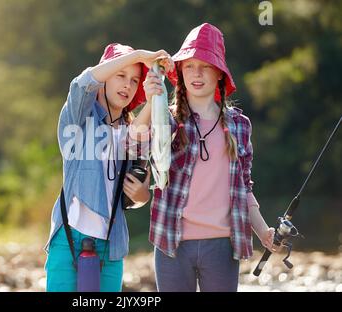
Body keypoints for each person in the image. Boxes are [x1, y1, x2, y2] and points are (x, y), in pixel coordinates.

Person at [130, 23, 275, 292]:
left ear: (220, 73)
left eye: (205, 66)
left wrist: (263, 232)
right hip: (172, 243)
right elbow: (135, 140)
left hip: (222, 245)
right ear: (180, 73)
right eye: (189, 66)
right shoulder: (168, 119)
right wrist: (151, 102)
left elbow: (244, 187)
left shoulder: (240, 125)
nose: (197, 74)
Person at [44, 43, 173, 292]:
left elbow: (137, 191)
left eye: (135, 80)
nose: (128, 85)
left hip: (111, 244)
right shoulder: (79, 118)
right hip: (68, 240)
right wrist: (136, 56)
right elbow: (82, 83)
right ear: (105, 78)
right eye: (121, 75)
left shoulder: (131, 129)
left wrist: (142, 196)